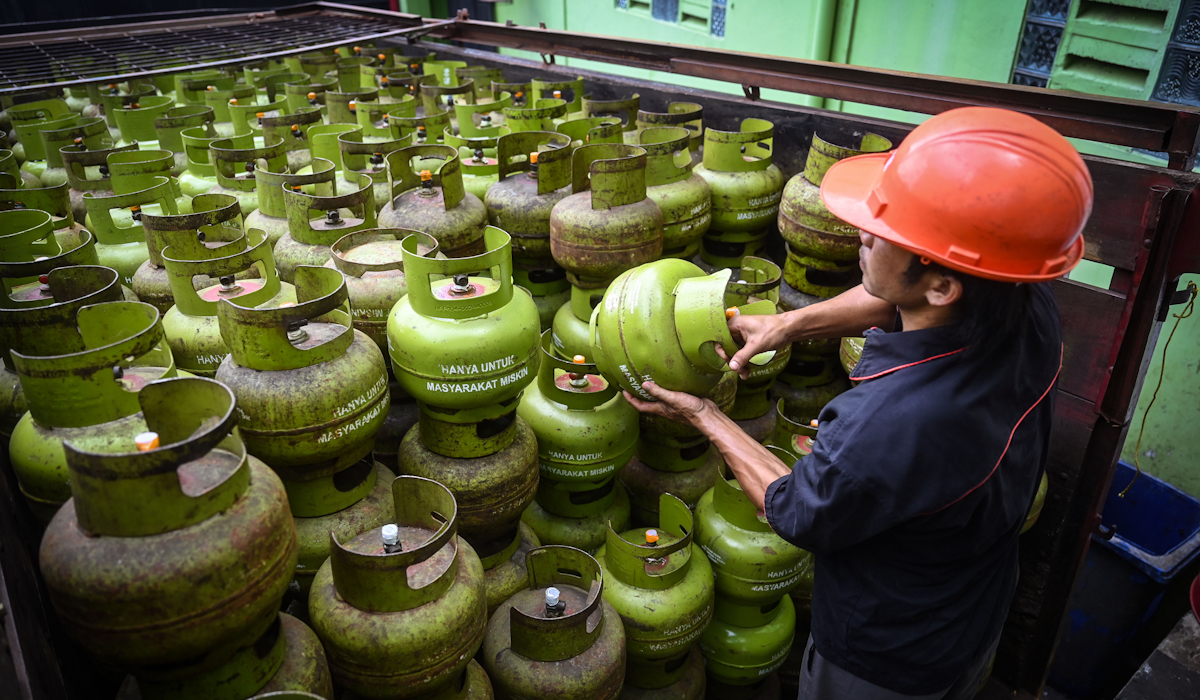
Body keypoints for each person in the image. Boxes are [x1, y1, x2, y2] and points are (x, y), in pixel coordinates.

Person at [624, 106, 1093, 700]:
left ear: (943, 283)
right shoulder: (1028, 312)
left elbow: (794, 510)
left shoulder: (892, 423)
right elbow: (901, 298)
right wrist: (788, 324)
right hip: (975, 600)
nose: (864, 233)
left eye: (886, 233)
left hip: (888, 655)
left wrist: (704, 413)